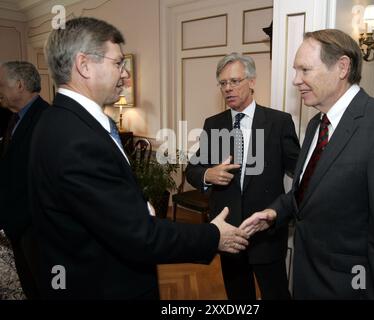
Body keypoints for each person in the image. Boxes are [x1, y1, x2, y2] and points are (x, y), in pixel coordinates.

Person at [28, 17, 249, 299]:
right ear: (84, 65)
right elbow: (139, 236)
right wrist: (213, 236)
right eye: (118, 63)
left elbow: (99, 207)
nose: (126, 75)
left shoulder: (58, 121)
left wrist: (135, 207)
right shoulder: (77, 139)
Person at [240, 29, 374, 299]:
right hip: (307, 279)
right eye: (295, 70)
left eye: (305, 70)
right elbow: (307, 191)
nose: (295, 80)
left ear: (342, 67)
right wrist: (274, 213)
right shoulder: (317, 124)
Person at [186, 53, 300, 300]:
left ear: (252, 81)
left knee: (277, 294)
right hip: (228, 233)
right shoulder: (213, 124)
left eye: (235, 81)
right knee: (238, 298)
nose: (228, 88)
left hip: (266, 232)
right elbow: (191, 170)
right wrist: (208, 173)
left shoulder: (279, 122)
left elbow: (302, 173)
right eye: (223, 83)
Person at [0, 61, 50, 299]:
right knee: (29, 284)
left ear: (19, 85)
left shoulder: (46, 118)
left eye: (2, 84)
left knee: (45, 286)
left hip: (36, 226)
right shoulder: (14, 118)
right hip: (17, 223)